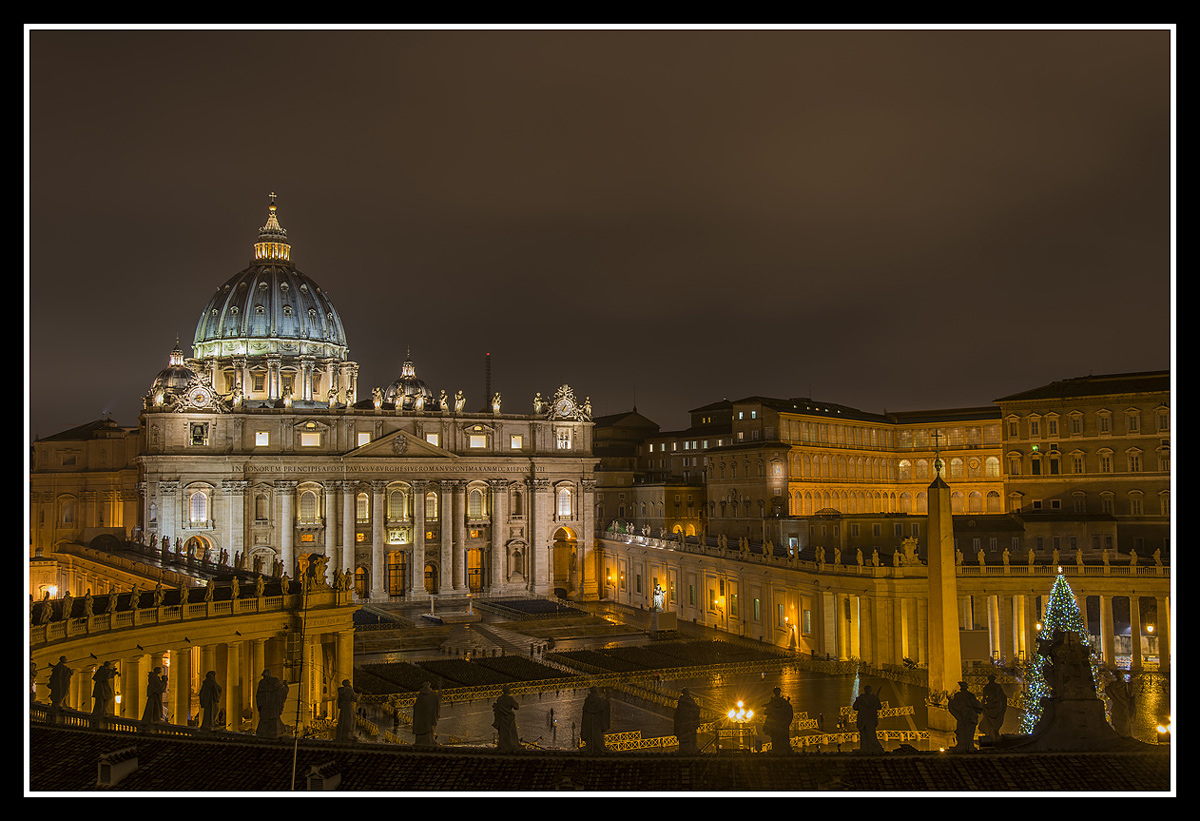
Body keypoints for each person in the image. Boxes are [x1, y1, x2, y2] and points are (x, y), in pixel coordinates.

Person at [948, 681, 982, 752]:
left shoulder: (957, 696)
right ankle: (969, 747)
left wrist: (950, 701)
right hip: (971, 717)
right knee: (970, 733)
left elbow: (953, 705)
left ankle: (962, 746)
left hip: (962, 717)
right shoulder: (971, 695)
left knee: (961, 732)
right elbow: (977, 705)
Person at [255, 668, 289, 738]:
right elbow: (259, 695)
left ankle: (271, 730)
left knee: (271, 718)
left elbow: (280, 690)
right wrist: (285, 687)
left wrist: (285, 688)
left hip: (270, 705)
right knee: (269, 718)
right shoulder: (264, 682)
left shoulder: (269, 682)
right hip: (268, 706)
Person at [853, 684, 884, 753]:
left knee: (863, 736)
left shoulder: (861, 698)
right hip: (871, 720)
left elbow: (855, 707)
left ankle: (865, 748)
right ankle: (874, 748)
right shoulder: (874, 698)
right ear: (870, 690)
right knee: (871, 735)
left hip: (863, 719)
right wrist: (877, 699)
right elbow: (879, 707)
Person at [762, 687, 794, 753]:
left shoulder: (773, 702)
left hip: (775, 725)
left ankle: (777, 749)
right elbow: (789, 712)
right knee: (783, 738)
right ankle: (783, 749)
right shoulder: (784, 702)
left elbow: (766, 712)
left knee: (775, 738)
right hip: (782, 724)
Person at [978, 674, 1008, 743]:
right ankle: (994, 735)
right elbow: (1002, 696)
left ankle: (991, 735)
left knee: (989, 723)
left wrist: (983, 706)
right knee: (996, 722)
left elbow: (984, 698)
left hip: (989, 707)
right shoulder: (998, 687)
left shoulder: (986, 687)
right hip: (997, 707)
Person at [491, 685, 521, 752]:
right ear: (508, 690)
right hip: (510, 718)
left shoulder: (499, 699)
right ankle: (512, 745)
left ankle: (503, 746)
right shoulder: (510, 698)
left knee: (503, 733)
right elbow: (516, 707)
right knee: (511, 733)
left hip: (502, 718)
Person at [580, 687, 610, 753]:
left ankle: (590, 746)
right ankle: (599, 746)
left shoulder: (587, 701)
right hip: (597, 722)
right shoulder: (601, 701)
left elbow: (584, 714)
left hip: (589, 722)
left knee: (590, 734)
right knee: (598, 735)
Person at [673, 688, 702, 755]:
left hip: (683, 725)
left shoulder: (681, 703)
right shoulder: (690, 701)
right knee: (690, 736)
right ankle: (691, 749)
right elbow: (697, 709)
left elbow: (677, 715)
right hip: (689, 724)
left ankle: (686, 749)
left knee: (685, 737)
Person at [90, 660, 119, 726]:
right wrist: (113, 672)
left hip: (103, 686)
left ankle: (103, 711)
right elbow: (106, 675)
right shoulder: (102, 670)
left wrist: (113, 672)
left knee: (106, 698)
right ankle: (101, 712)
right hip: (101, 686)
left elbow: (107, 675)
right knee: (103, 699)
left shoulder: (103, 670)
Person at [413, 681, 440, 746]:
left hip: (421, 715)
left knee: (422, 726)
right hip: (429, 715)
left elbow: (416, 706)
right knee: (429, 727)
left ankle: (421, 739)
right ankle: (429, 739)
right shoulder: (433, 695)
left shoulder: (420, 695)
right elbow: (436, 705)